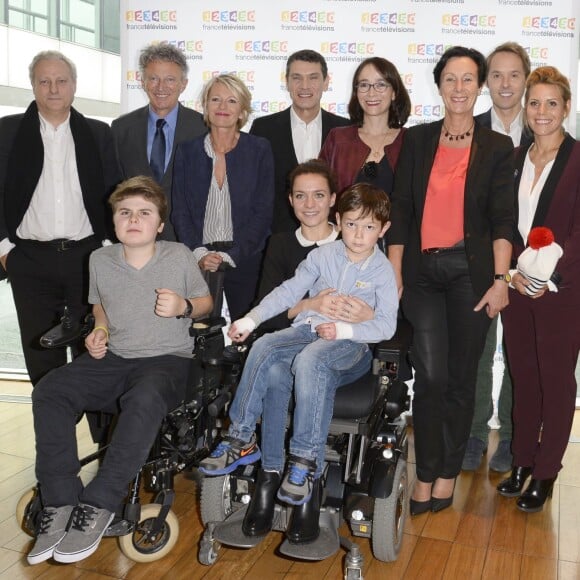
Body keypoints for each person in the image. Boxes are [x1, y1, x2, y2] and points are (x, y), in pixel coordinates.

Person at [27, 176, 212, 565]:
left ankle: (100, 502)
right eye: (124, 212)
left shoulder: (178, 255)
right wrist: (99, 330)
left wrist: (184, 307)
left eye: (145, 213)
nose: (133, 219)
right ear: (113, 221)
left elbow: (206, 302)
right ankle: (59, 499)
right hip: (114, 358)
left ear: (159, 224)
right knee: (51, 390)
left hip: (168, 360)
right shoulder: (100, 259)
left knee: (144, 398)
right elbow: (100, 307)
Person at [199, 183, 398, 544]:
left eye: (369, 227)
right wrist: (251, 320)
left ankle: (305, 463)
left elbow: (387, 325)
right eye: (351, 224)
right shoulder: (322, 257)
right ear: (338, 220)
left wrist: (344, 327)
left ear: (383, 230)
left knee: (311, 360)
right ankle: (240, 440)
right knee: (266, 348)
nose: (358, 234)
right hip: (308, 331)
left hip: (349, 346)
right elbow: (290, 292)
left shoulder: (382, 271)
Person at [387, 46, 514, 516]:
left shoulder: (497, 147)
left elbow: (504, 219)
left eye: (468, 80)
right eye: (450, 79)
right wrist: (395, 271)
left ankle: (445, 477)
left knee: (462, 379)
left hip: (472, 276)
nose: (459, 88)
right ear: (438, 85)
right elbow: (400, 209)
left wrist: (501, 279)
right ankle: (424, 473)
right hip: (422, 276)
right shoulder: (418, 141)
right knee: (432, 377)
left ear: (478, 86)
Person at [0, 50, 120, 385]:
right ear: (33, 86)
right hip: (29, 262)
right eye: (45, 81)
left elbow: (114, 191)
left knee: (95, 351)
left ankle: (102, 438)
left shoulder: (98, 133)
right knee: (42, 360)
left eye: (61, 81)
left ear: (74, 85)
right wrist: (5, 250)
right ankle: (54, 437)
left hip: (87, 258)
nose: (53, 88)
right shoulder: (7, 131)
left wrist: (109, 248)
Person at [497, 66, 580, 513]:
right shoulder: (513, 160)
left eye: (552, 103)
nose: (542, 111)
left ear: (566, 108)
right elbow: (503, 224)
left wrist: (551, 276)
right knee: (523, 377)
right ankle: (522, 459)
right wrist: (511, 272)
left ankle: (546, 471)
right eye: (535, 103)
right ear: (525, 110)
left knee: (555, 381)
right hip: (517, 287)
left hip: (562, 292)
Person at [463, 42, 532, 473]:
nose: (505, 84)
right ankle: (472, 434)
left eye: (514, 75)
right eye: (497, 75)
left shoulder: (545, 129)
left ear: (526, 79)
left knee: (520, 350)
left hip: (530, 261)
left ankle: (510, 435)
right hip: (478, 257)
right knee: (477, 348)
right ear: (486, 82)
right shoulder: (467, 129)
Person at [172, 74, 275, 320]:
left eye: (231, 101)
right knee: (201, 335)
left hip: (247, 259)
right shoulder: (187, 151)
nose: (222, 107)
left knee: (248, 332)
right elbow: (180, 210)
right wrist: (199, 253)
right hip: (199, 260)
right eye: (215, 99)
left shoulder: (259, 149)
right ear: (206, 106)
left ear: (242, 110)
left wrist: (233, 255)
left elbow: (263, 211)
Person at [111, 42, 206, 241]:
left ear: (184, 84)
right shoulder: (121, 128)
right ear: (142, 81)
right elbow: (114, 189)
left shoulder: (203, 128)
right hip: (135, 242)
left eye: (170, 79)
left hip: (189, 242)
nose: (161, 87)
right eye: (153, 78)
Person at [250, 49, 350, 234]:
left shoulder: (346, 130)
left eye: (313, 78)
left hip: (334, 241)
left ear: (326, 82)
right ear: (287, 82)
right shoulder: (264, 128)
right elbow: (255, 192)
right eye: (297, 78)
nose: (305, 86)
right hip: (278, 240)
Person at [320, 56, 411, 200]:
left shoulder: (410, 141)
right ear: (356, 92)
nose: (371, 93)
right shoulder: (337, 139)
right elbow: (321, 193)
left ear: (394, 92)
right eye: (364, 85)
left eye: (381, 85)